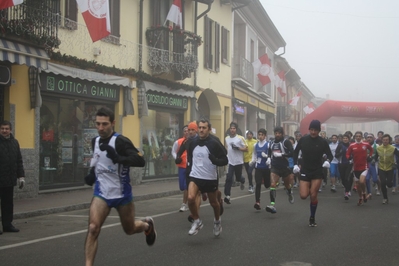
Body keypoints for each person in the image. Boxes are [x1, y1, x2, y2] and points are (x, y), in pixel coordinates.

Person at [84, 107, 155, 266]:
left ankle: (146, 225)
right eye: (98, 124)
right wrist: (92, 174)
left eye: (105, 124)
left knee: (129, 229)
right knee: (93, 228)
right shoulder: (95, 141)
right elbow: (97, 161)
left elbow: (140, 161)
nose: (101, 128)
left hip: (122, 195)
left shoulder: (121, 141)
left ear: (113, 123)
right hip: (101, 193)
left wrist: (118, 158)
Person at [186, 118, 228, 236]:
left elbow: (225, 159)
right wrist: (188, 170)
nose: (201, 130)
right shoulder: (192, 142)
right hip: (195, 175)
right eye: (199, 127)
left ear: (209, 129)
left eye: (204, 128)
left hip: (209, 177)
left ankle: (217, 221)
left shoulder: (214, 142)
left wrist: (215, 160)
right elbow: (190, 157)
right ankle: (197, 221)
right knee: (190, 198)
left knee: (214, 203)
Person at [293, 120, 333, 227]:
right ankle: (308, 188)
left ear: (319, 131)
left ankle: (312, 217)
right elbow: (295, 152)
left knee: (313, 194)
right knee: (303, 195)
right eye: (311, 130)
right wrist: (295, 164)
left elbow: (330, 155)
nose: (313, 132)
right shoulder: (303, 140)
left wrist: (327, 161)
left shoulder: (322, 142)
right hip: (305, 170)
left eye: (315, 130)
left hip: (317, 171)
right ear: (309, 129)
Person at [0, 120, 25, 234]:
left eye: (6, 129)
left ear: (10, 130)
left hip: (9, 179)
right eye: (2, 129)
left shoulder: (15, 143)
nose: (4, 131)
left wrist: (21, 176)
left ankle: (7, 225)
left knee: (8, 203)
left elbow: (19, 161)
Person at [265, 126, 294, 214]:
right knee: (273, 184)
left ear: (282, 134)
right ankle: (272, 205)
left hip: (285, 167)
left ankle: (289, 193)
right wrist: (269, 158)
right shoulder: (272, 142)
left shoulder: (286, 142)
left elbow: (292, 152)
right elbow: (270, 151)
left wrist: (282, 155)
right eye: (276, 133)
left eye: (279, 133)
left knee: (287, 185)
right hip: (275, 167)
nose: (277, 135)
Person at [345, 131, 373, 206]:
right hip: (355, 167)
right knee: (357, 185)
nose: (358, 137)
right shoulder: (352, 145)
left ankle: (364, 193)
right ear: (355, 137)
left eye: (359, 136)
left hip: (364, 166)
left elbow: (371, 150)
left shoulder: (366, 144)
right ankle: (360, 197)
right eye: (356, 136)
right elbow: (347, 153)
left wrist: (370, 156)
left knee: (361, 181)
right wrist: (349, 157)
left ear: (361, 137)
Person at [224, 122, 248, 204]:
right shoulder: (226, 138)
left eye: (234, 128)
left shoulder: (240, 138)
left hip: (238, 162)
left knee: (238, 178)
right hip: (230, 162)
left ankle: (242, 180)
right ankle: (227, 196)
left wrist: (238, 148)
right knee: (229, 178)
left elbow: (246, 149)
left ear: (236, 129)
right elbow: (227, 148)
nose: (232, 130)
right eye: (231, 128)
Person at [249, 128, 271, 210]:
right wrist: (252, 161)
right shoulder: (256, 145)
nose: (260, 136)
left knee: (267, 185)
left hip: (266, 167)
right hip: (258, 167)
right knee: (258, 184)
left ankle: (268, 182)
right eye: (259, 135)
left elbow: (271, 155)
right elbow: (254, 155)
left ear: (265, 136)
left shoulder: (268, 145)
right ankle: (257, 202)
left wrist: (267, 157)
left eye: (262, 135)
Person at [375, 134, 399, 204]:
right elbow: (375, 157)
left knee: (389, 184)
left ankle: (390, 184)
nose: (385, 141)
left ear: (389, 140)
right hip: (381, 168)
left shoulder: (393, 148)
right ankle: (385, 198)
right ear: (382, 140)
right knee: (382, 183)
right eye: (384, 140)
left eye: (387, 140)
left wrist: (396, 164)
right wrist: (373, 159)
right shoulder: (378, 148)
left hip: (390, 168)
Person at [172, 125, 189, 212]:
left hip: (190, 167)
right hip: (181, 166)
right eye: (185, 131)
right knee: (182, 187)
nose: (186, 132)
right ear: (183, 132)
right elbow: (174, 151)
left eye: (188, 131)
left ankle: (184, 204)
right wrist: (177, 158)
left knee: (186, 186)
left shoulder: (192, 141)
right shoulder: (178, 142)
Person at [335, 134, 353, 200]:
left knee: (347, 177)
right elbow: (336, 155)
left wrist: (351, 158)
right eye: (344, 138)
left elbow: (354, 154)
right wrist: (341, 153)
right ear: (342, 139)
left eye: (346, 138)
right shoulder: (340, 145)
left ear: (349, 139)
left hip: (349, 164)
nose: (345, 139)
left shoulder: (351, 145)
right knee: (343, 179)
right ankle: (347, 189)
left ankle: (347, 192)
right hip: (341, 163)